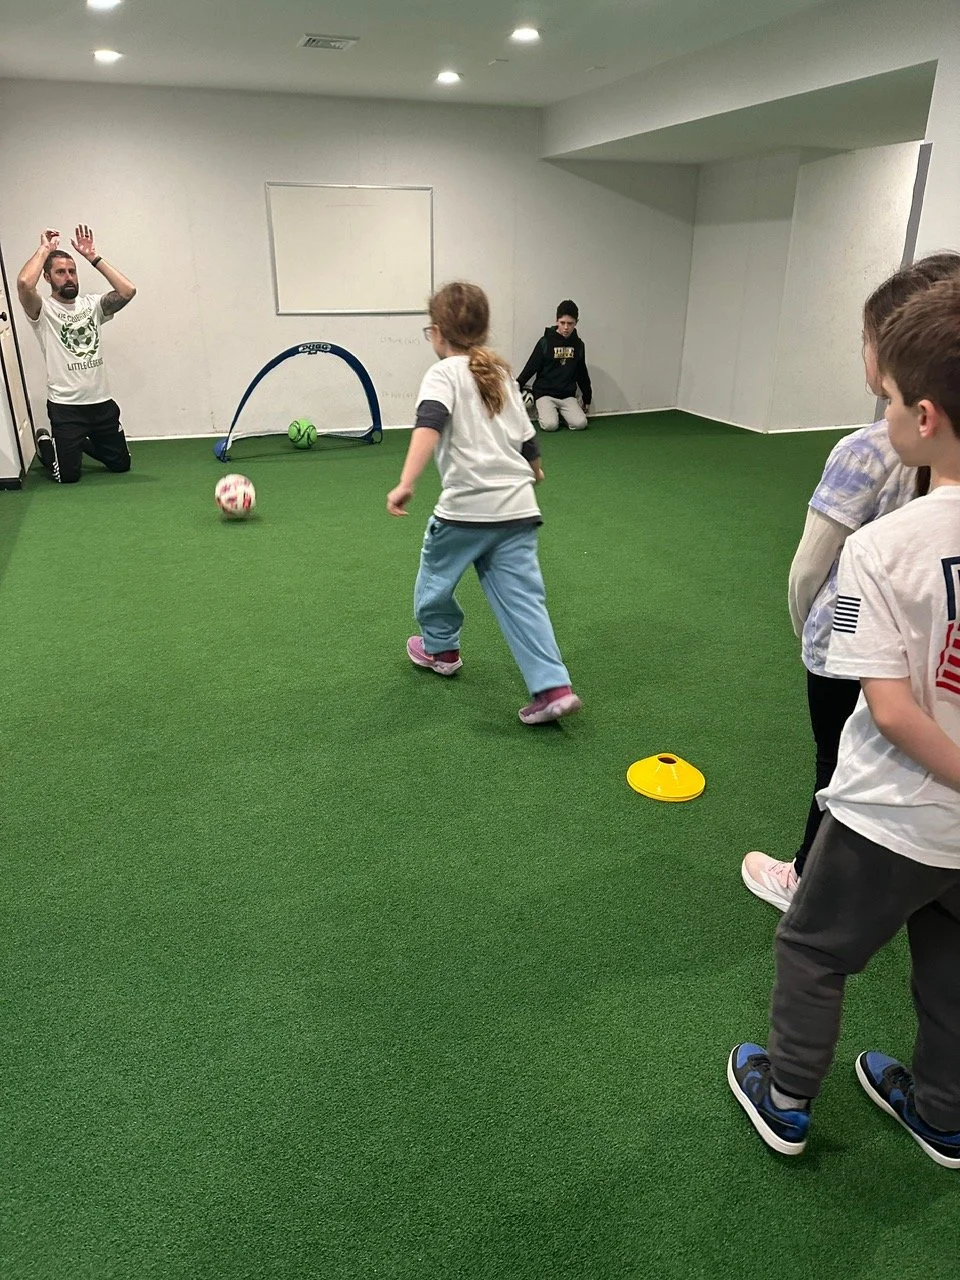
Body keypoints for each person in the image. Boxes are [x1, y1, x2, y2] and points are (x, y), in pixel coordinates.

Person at [728, 275, 960, 1167]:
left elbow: (888, 707)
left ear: (925, 418)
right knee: (950, 968)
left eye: (894, 399)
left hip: (887, 816)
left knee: (814, 950)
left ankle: (786, 1098)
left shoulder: (878, 548)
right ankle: (942, 1114)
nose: (885, 411)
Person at [742, 253, 960, 912]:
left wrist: (810, 634)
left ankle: (807, 880)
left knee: (837, 764)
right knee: (913, 756)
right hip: (933, 649)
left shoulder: (863, 450)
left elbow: (812, 565)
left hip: (848, 644)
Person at [386, 281, 582, 726]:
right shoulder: (501, 375)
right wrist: (534, 469)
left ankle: (440, 649)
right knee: (524, 600)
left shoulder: (442, 374)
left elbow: (429, 425)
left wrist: (406, 482)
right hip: (517, 509)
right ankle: (553, 688)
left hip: (465, 512)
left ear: (437, 332)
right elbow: (527, 437)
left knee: (435, 580)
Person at [17, 226, 137, 484]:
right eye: (60, 272)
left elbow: (127, 291)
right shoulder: (43, 310)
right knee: (68, 476)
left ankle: (78, 443)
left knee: (121, 466)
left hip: (101, 404)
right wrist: (44, 249)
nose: (69, 277)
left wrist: (93, 257)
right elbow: (25, 284)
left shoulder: (92, 306)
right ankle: (46, 444)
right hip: (66, 408)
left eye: (72, 271)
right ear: (47, 277)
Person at [516, 300, 592, 432]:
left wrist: (587, 398)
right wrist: (516, 387)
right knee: (550, 425)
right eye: (562, 323)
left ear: (576, 322)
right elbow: (531, 367)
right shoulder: (545, 342)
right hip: (545, 394)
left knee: (581, 423)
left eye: (570, 323)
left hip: (567, 396)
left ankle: (562, 414)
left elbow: (582, 373)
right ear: (556, 321)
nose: (566, 327)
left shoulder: (579, 345)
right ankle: (547, 413)